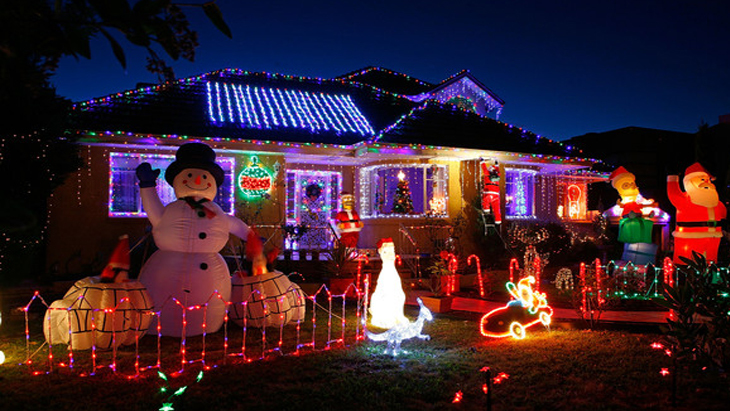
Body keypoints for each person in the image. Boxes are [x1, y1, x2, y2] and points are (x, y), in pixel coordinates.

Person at [667, 162, 727, 264]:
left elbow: (723, 214)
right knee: (688, 261)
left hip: (713, 238)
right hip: (689, 238)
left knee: (710, 261)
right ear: (689, 182)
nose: (706, 182)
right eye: (702, 179)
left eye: (708, 180)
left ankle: (710, 272)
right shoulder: (684, 200)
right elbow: (673, 192)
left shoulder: (717, 202)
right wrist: (672, 176)